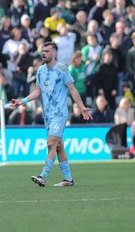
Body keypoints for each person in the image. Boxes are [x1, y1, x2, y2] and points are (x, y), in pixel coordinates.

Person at [10, 41, 92, 187]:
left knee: (51, 143)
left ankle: (43, 176)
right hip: (47, 115)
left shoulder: (62, 69)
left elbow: (72, 89)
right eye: (43, 51)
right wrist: (22, 101)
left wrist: (82, 107)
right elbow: (37, 91)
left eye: (47, 51)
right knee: (59, 146)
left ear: (54, 53)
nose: (44, 53)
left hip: (59, 113)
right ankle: (68, 179)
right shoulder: (40, 70)